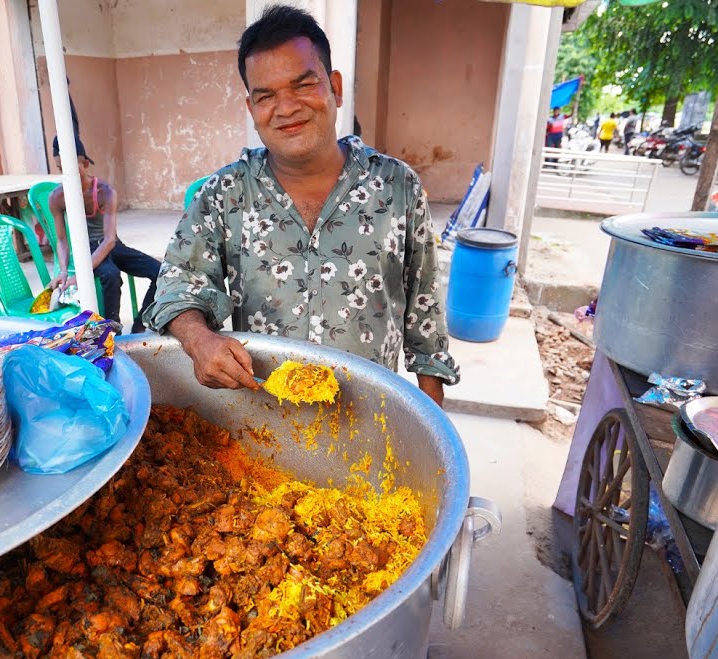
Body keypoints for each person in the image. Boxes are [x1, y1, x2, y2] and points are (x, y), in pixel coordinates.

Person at [141, 4, 458, 405]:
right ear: (251, 108)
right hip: (265, 425)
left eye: (303, 85)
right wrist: (199, 339)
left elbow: (425, 311)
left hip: (373, 421)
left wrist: (433, 421)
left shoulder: (397, 186)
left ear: (335, 88)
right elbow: (177, 284)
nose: (287, 108)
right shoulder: (225, 193)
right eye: (266, 96)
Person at [47, 136, 161, 333]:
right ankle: (110, 330)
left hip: (112, 244)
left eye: (71, 167)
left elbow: (109, 240)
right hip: (87, 247)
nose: (66, 174)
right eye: (60, 168)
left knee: (159, 271)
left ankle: (140, 324)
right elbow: (62, 240)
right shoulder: (57, 196)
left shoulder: (105, 192)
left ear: (84, 164)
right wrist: (64, 271)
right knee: (111, 275)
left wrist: (81, 276)